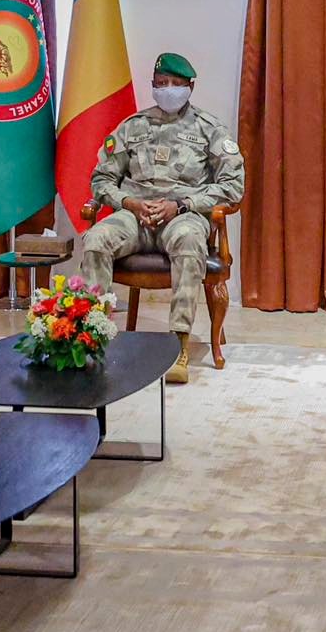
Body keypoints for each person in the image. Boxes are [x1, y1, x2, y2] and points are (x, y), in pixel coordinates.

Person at [76, 52, 246, 385]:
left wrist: (183, 203)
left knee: (188, 240)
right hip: (134, 215)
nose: (167, 89)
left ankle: (178, 343)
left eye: (175, 84)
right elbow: (101, 179)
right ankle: (93, 339)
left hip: (182, 216)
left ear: (189, 87)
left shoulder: (209, 129)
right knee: (96, 238)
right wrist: (128, 201)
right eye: (161, 83)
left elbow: (233, 186)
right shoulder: (132, 127)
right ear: (153, 86)